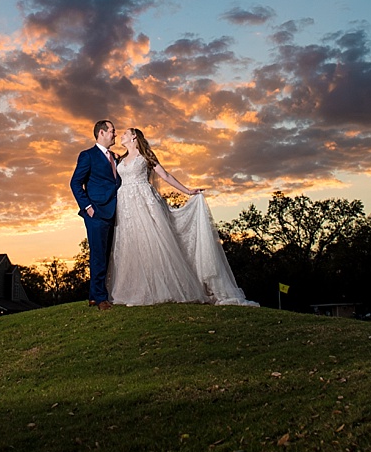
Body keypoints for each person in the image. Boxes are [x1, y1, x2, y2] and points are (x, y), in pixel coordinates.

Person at [107, 127, 257, 307]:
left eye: (125, 133)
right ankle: (132, 291)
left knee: (152, 243)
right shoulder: (120, 159)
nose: (121, 136)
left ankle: (158, 290)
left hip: (143, 201)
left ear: (133, 137)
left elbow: (166, 175)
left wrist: (188, 191)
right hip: (125, 204)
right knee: (130, 244)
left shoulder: (146, 157)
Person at [69, 119, 121, 311]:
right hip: (96, 213)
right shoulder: (88, 156)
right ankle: (101, 299)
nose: (115, 135)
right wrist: (88, 206)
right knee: (98, 255)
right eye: (112, 131)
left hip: (113, 211)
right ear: (101, 133)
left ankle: (93, 295)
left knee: (105, 255)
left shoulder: (114, 157)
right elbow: (75, 183)